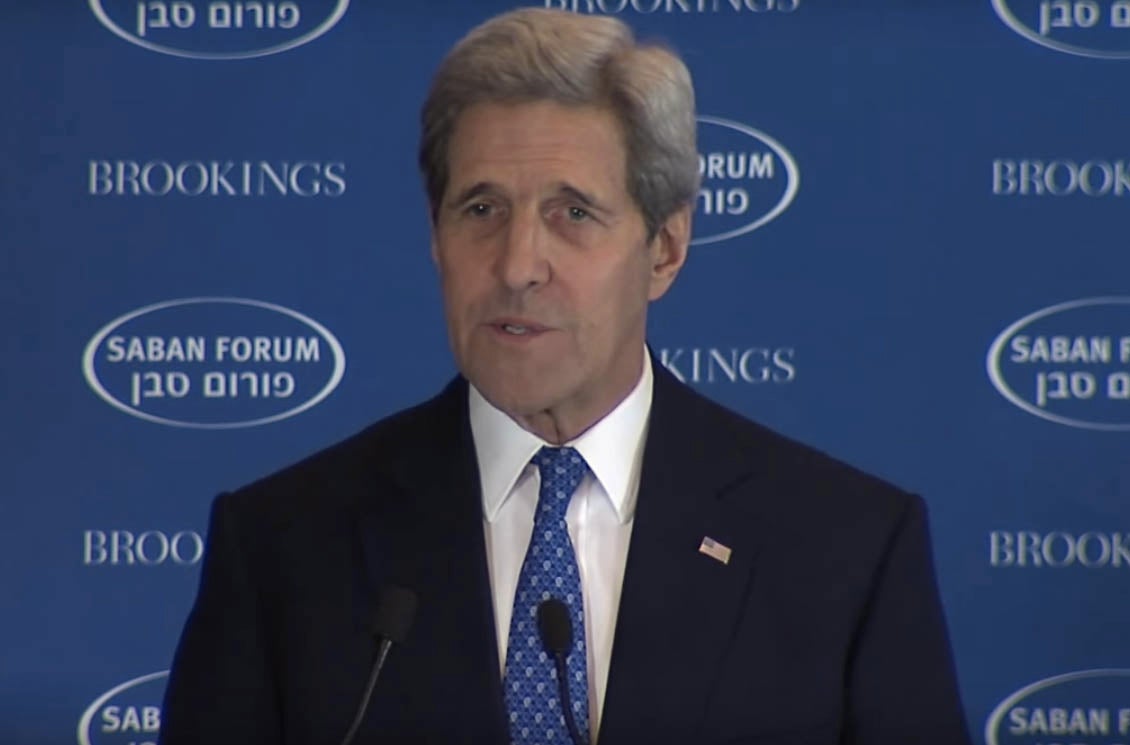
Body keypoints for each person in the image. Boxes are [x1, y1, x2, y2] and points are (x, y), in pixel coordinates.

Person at [159, 8, 971, 745]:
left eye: (572, 213)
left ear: (665, 249)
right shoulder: (282, 548)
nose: (517, 266)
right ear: (435, 239)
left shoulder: (846, 550)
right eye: (481, 209)